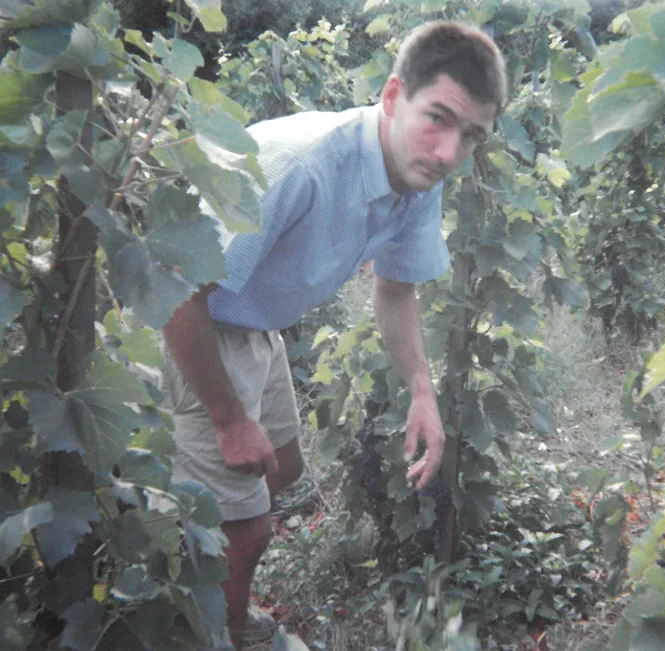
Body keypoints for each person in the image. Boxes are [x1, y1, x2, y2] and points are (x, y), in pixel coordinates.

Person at [161, 19, 507, 650]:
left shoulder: (416, 174)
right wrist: (226, 417)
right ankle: (216, 629)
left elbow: (396, 289)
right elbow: (177, 289)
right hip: (194, 324)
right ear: (394, 95)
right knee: (248, 530)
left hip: (251, 328)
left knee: (283, 470)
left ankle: (189, 557)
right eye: (439, 118)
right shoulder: (304, 166)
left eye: (472, 136)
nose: (450, 151)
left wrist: (423, 394)